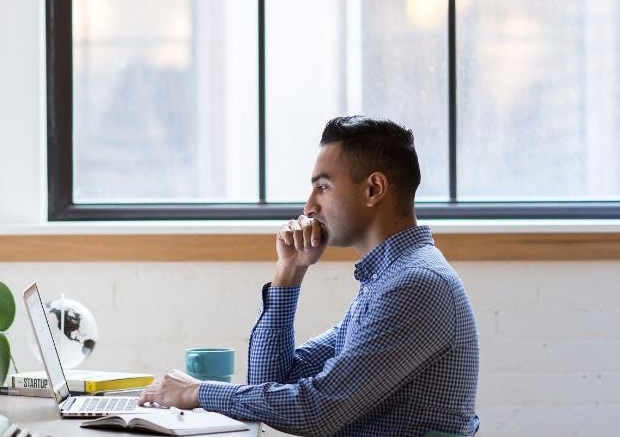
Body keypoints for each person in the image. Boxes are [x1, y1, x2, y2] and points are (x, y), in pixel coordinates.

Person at [140, 116, 479, 436]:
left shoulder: (415, 285)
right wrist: (290, 271)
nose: (309, 207)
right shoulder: (386, 280)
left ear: (374, 189)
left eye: (323, 187)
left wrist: (197, 392)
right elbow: (271, 381)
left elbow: (318, 411)